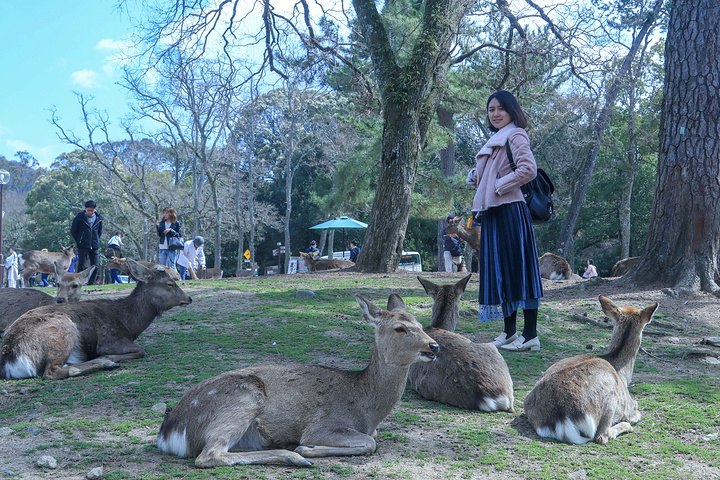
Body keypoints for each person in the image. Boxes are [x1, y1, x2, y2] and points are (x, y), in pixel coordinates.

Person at [466, 90, 544, 352]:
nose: (495, 113)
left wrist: (499, 185)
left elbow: (528, 169)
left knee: (519, 271)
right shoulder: (496, 138)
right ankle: (509, 332)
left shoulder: (516, 134)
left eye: (500, 108)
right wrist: (479, 177)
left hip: (511, 211)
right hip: (495, 213)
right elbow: (498, 171)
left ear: (511, 110)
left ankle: (530, 334)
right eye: (491, 109)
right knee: (501, 272)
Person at [70, 200, 103, 285]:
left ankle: (92, 282)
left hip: (95, 245)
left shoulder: (99, 218)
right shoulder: (79, 218)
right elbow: (73, 231)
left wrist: (95, 240)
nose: (90, 212)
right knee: (81, 265)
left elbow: (99, 232)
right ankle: (78, 282)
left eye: (92, 210)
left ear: (95, 209)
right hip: (83, 245)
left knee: (95, 265)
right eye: (88, 210)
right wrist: (80, 240)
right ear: (85, 209)